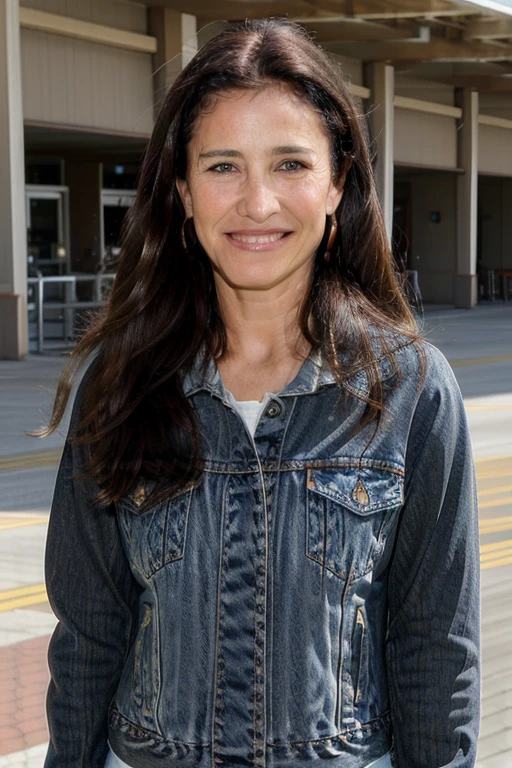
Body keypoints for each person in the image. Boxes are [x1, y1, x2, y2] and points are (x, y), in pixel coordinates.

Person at [42, 18, 480, 768]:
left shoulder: (409, 389)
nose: (256, 203)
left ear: (337, 182)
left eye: (289, 164)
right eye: (222, 167)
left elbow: (436, 652)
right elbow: (89, 634)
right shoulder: (122, 381)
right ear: (181, 191)